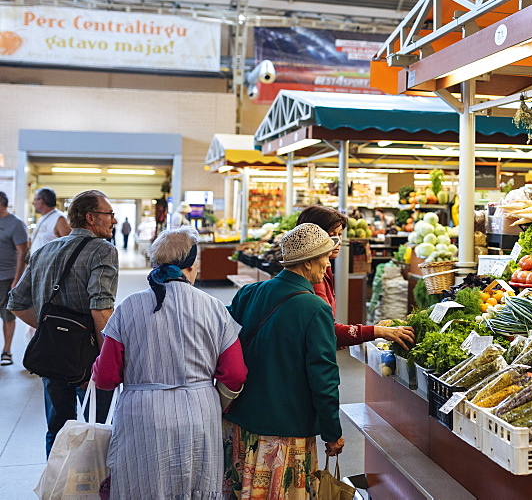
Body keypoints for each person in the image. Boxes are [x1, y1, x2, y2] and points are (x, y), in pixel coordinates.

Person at [92, 226, 247, 499]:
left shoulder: (129, 306)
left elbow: (105, 378)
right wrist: (213, 401)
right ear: (191, 266)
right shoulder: (214, 308)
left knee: (141, 486)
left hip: (141, 417)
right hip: (199, 414)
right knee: (195, 487)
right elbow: (234, 374)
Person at [223, 223, 345, 499]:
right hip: (288, 434)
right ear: (308, 262)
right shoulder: (315, 308)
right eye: (325, 256)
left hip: (243, 424)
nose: (328, 263)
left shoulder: (249, 293)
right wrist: (331, 432)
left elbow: (224, 344)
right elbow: (324, 378)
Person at [8, 189, 118, 456]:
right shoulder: (103, 250)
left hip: (50, 354)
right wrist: (107, 358)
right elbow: (101, 310)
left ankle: (57, 489)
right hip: (88, 358)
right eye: (109, 214)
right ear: (91, 217)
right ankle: (93, 492)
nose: (114, 220)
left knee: (57, 428)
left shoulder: (44, 250)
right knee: (96, 428)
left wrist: (51, 329)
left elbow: (17, 303)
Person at [296, 205, 414, 350]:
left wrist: (338, 337)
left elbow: (326, 329)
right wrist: (379, 331)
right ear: (314, 236)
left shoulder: (324, 268)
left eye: (339, 234)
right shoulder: (313, 277)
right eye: (332, 234)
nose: (338, 241)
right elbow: (327, 331)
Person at [0, 191, 28, 366]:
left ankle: (7, 351)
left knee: (7, 315)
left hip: (6, 277)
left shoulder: (15, 224)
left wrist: (16, 280)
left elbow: (22, 254)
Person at [29, 188, 70, 256]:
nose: (33, 203)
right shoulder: (42, 218)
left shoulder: (59, 219)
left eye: (35, 199)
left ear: (42, 201)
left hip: (50, 265)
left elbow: (70, 245)